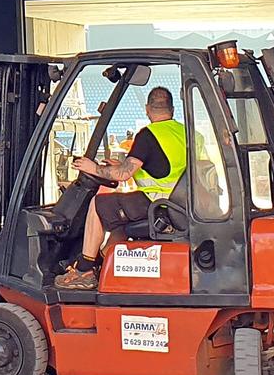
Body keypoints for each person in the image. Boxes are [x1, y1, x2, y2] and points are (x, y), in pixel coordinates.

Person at [53, 86, 186, 290]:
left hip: (157, 204)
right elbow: (164, 168)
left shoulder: (148, 135)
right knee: (119, 219)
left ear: (147, 109)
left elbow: (124, 174)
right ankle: (105, 261)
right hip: (178, 205)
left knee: (99, 204)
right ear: (173, 110)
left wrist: (94, 168)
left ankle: (85, 270)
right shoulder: (185, 132)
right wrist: (117, 167)